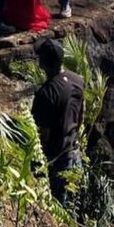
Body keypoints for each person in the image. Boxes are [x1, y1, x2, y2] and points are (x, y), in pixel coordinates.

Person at [31, 37, 85, 204]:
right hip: (74, 151)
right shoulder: (78, 80)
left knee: (59, 207)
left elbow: (43, 135)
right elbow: (81, 114)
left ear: (42, 63)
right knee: (74, 204)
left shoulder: (45, 94)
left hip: (58, 158)